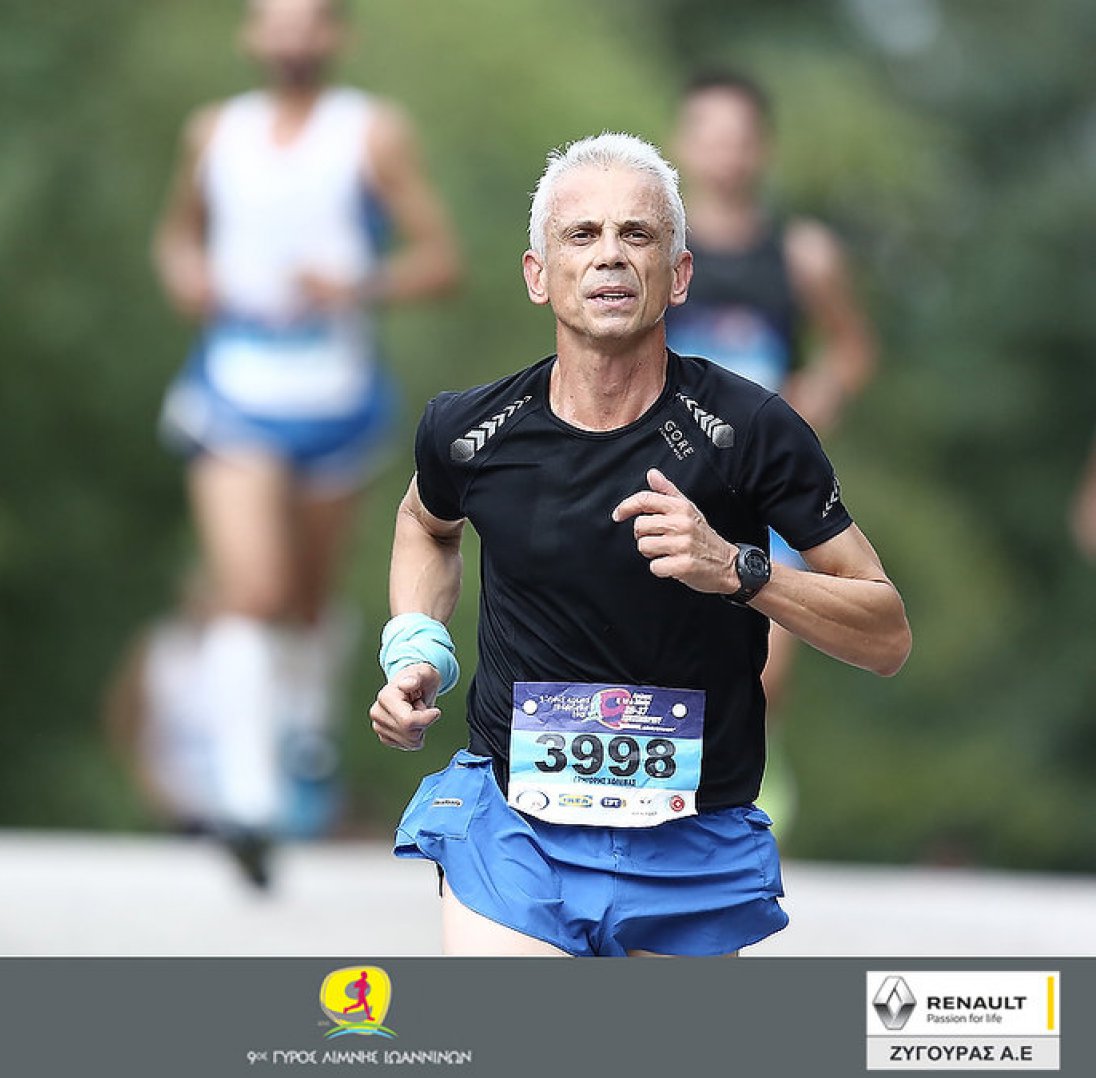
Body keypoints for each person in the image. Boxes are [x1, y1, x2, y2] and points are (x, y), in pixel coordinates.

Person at [368, 132, 910, 956]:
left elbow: (886, 633)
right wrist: (416, 648)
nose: (610, 256)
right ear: (537, 274)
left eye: (637, 234)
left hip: (692, 843)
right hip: (515, 831)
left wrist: (737, 570)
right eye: (582, 235)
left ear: (679, 274)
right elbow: (425, 523)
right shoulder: (471, 430)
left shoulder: (751, 431)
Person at [149, 0, 460, 886]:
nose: (290, 36)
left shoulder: (371, 134)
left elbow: (440, 259)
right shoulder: (214, 132)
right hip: (233, 388)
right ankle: (245, 804)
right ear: (250, 34)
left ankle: (305, 737)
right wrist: (187, 274)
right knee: (252, 590)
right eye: (274, 19)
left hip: (334, 394)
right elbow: (176, 235)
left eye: (308, 20)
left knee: (309, 602)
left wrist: (358, 283)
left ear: (336, 36)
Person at [666, 71, 878, 830]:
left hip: (762, 486)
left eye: (740, 138)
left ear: (762, 148)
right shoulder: (655, 246)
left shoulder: (802, 253)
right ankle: (672, 797)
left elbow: (852, 348)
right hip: (668, 475)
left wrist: (815, 397)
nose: (725, 154)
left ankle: (759, 763)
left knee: (765, 660)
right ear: (683, 143)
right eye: (710, 136)